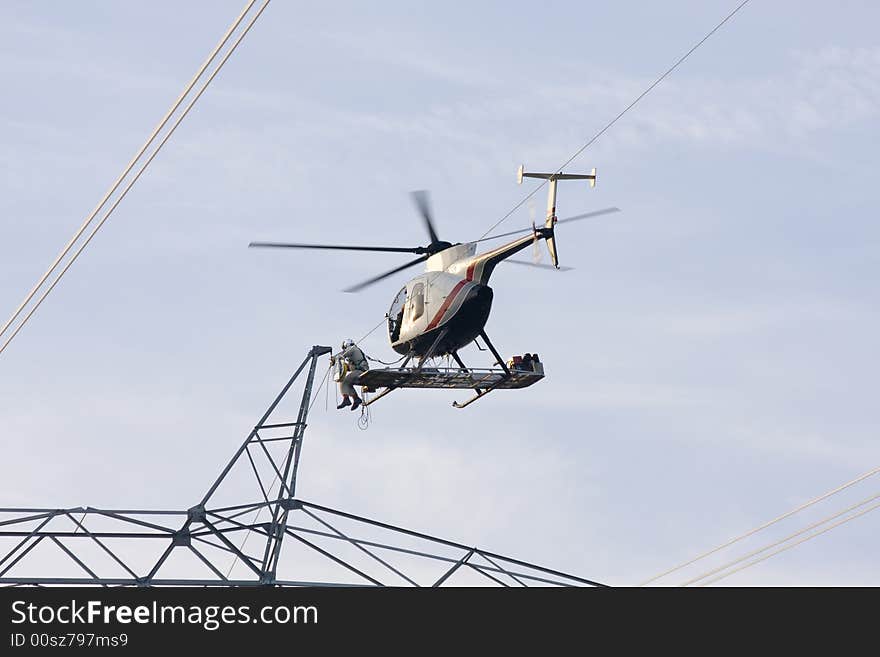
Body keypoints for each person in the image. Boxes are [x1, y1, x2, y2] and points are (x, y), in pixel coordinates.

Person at [331, 339, 369, 411]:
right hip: (358, 371)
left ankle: (348, 399)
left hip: (360, 371)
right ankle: (354, 399)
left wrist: (334, 359)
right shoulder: (353, 353)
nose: (344, 349)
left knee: (345, 380)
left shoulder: (352, 349)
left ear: (346, 345)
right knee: (345, 382)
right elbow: (349, 367)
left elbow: (342, 355)